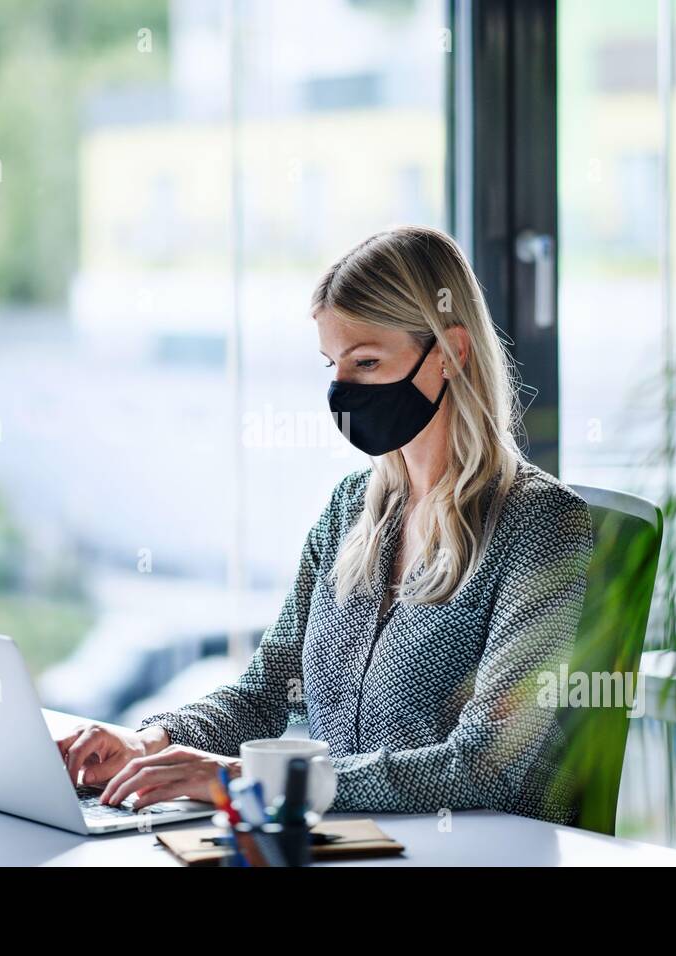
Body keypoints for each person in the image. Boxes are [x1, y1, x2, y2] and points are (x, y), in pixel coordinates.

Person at [55, 225, 593, 822]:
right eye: (333, 364)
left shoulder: (540, 523)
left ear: (451, 352)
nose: (341, 389)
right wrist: (148, 743)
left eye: (366, 361)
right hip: (346, 843)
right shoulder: (351, 510)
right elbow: (265, 693)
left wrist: (247, 780)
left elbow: (488, 765)